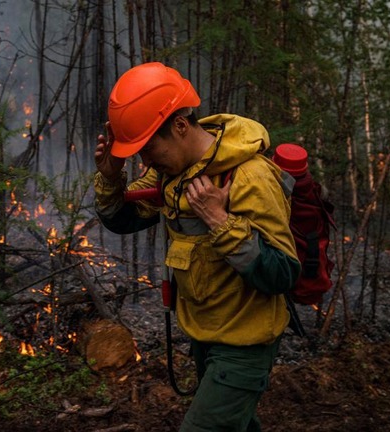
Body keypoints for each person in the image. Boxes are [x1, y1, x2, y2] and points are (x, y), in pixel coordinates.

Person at [93, 62, 300, 431]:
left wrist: (221, 221)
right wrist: (111, 178)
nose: (144, 161)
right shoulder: (171, 174)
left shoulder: (249, 175)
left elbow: (283, 274)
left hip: (244, 346)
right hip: (207, 339)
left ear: (180, 125)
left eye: (148, 147)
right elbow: (123, 221)